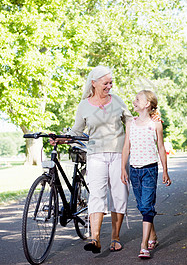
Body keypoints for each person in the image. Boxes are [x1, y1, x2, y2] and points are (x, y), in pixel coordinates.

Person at [52, 65, 132, 253]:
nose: (109, 86)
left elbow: (130, 121)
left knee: (119, 195)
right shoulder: (84, 105)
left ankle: (115, 237)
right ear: (94, 83)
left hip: (119, 154)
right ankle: (94, 238)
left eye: (111, 82)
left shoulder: (117, 101)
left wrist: (149, 119)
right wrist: (61, 139)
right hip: (96, 154)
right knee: (97, 194)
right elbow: (76, 131)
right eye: (106, 83)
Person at [121, 90, 171, 259]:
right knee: (142, 206)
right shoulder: (131, 123)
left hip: (150, 169)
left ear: (147, 104)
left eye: (137, 99)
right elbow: (126, 147)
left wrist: (165, 170)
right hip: (134, 170)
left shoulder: (155, 124)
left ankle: (143, 246)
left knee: (147, 205)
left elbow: (161, 148)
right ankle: (153, 236)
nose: (134, 101)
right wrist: (123, 169)